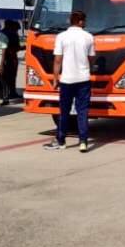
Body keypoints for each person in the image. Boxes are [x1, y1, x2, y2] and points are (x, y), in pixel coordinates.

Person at [43, 11, 96, 152]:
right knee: (82, 111)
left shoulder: (61, 37)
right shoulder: (88, 37)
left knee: (64, 111)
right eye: (84, 20)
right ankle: (83, 141)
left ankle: (61, 140)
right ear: (80, 22)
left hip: (67, 80)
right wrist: (89, 68)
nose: (85, 22)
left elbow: (57, 60)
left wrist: (55, 78)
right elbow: (91, 59)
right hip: (83, 79)